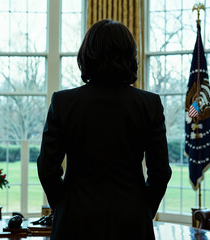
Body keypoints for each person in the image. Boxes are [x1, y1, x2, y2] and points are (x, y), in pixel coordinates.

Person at [37, 19, 172, 240]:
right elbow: (161, 172)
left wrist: (64, 203)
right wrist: (143, 208)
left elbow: (46, 167)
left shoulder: (64, 102)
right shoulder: (149, 104)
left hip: (74, 221)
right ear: (131, 56)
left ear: (87, 54)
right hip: (132, 220)